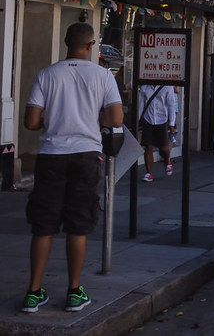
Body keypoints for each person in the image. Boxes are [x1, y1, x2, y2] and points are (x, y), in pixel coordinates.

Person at [21, 22, 123, 313]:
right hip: (86, 155)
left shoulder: (47, 74)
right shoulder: (103, 75)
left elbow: (31, 122)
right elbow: (116, 119)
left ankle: (33, 292)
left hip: (51, 156)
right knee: (78, 225)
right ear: (91, 46)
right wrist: (92, 118)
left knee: (43, 226)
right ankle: (74, 292)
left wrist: (51, 120)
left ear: (66, 42)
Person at [138, 84, 177, 182]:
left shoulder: (167, 87)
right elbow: (141, 105)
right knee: (148, 147)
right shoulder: (144, 87)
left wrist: (171, 123)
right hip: (148, 119)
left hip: (162, 120)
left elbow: (171, 106)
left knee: (163, 148)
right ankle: (149, 173)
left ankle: (167, 160)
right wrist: (137, 120)